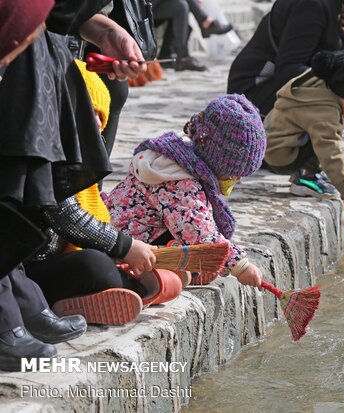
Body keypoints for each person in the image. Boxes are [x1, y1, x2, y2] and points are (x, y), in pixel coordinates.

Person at [0, 0, 148, 371]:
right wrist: (122, 244)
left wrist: (102, 30)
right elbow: (58, 209)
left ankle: (26, 302)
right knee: (98, 264)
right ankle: (17, 311)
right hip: (45, 250)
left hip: (29, 35)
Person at [24, 59, 183, 327]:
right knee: (95, 265)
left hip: (55, 260)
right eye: (88, 115)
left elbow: (94, 221)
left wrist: (123, 251)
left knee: (102, 260)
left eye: (101, 117)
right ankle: (136, 287)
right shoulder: (44, 156)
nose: (96, 126)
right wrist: (124, 247)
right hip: (25, 270)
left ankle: (95, 298)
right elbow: (67, 217)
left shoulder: (79, 161)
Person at [106, 95, 266, 288]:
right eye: (234, 174)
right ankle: (137, 283)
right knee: (178, 280)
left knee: (187, 266)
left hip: (142, 233)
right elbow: (197, 230)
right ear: (218, 158)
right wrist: (239, 265)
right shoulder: (178, 181)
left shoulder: (183, 158)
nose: (238, 179)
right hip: (129, 247)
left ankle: (188, 263)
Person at [262, 49, 344, 214]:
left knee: (331, 149)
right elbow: (330, 151)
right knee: (327, 146)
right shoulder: (324, 109)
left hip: (276, 146)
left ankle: (316, 169)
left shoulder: (322, 84)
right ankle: (307, 178)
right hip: (281, 156)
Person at [227, 0, 344, 118]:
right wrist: (337, 84)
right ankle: (288, 151)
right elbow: (288, 70)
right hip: (255, 92)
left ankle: (313, 150)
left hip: (283, 88)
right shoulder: (313, 5)